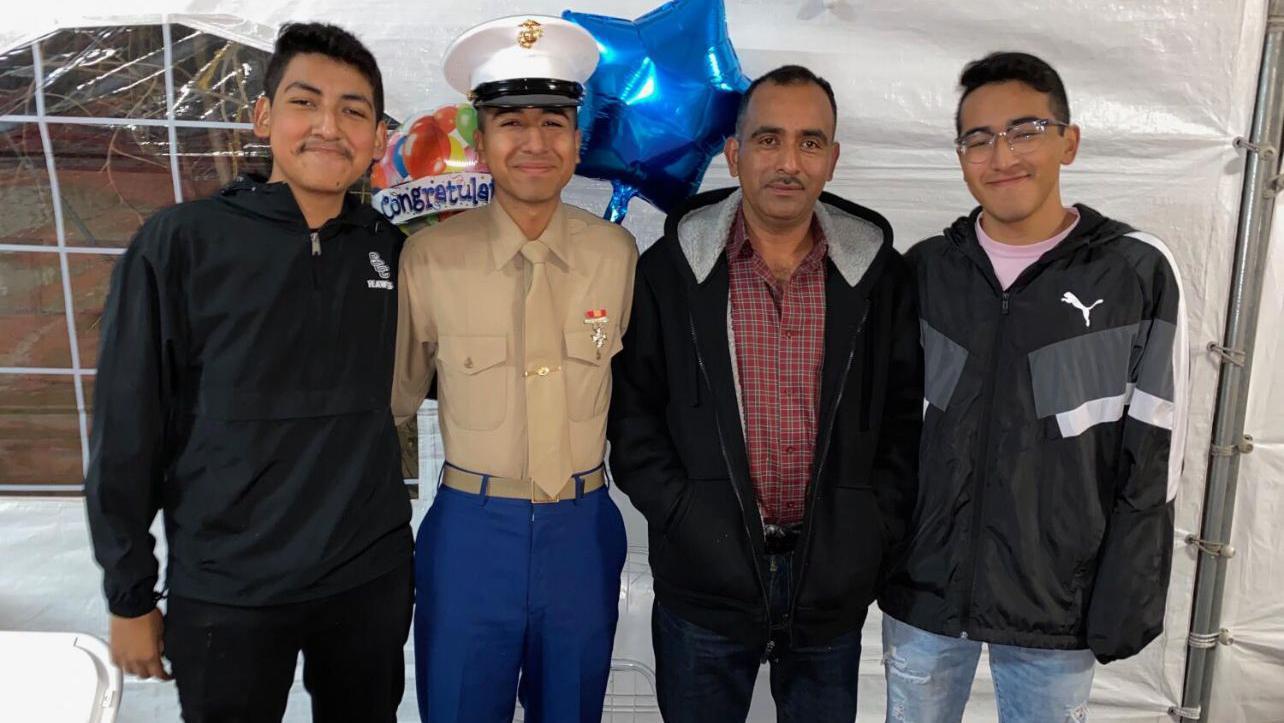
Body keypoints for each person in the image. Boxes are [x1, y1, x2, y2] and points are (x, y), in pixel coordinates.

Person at [84, 22, 413, 722]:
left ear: (378, 138)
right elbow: (126, 425)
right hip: (227, 587)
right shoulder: (181, 243)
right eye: (305, 102)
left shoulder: (394, 250)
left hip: (367, 577)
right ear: (264, 117)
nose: (330, 126)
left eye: (354, 110)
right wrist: (129, 593)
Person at [607, 64, 922, 722]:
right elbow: (633, 420)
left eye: (810, 142)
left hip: (828, 585)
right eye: (769, 139)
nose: (789, 161)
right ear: (735, 153)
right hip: (704, 582)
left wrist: (869, 530)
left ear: (832, 161)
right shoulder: (669, 272)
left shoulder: (880, 277)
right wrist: (686, 516)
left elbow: (902, 423)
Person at [880, 51, 1189, 722]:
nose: (1002, 155)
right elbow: (888, 432)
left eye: (1024, 130)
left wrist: (1125, 593)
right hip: (925, 589)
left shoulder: (1135, 273)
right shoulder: (925, 271)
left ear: (1068, 141)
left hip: (1058, 601)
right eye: (979, 138)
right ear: (961, 154)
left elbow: (1157, 452)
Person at [390, 15, 638, 723]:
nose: (535, 142)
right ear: (483, 136)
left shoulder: (615, 255)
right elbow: (396, 398)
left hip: (583, 533)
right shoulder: (430, 259)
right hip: (472, 533)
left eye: (554, 120)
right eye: (511, 121)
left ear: (578, 136)